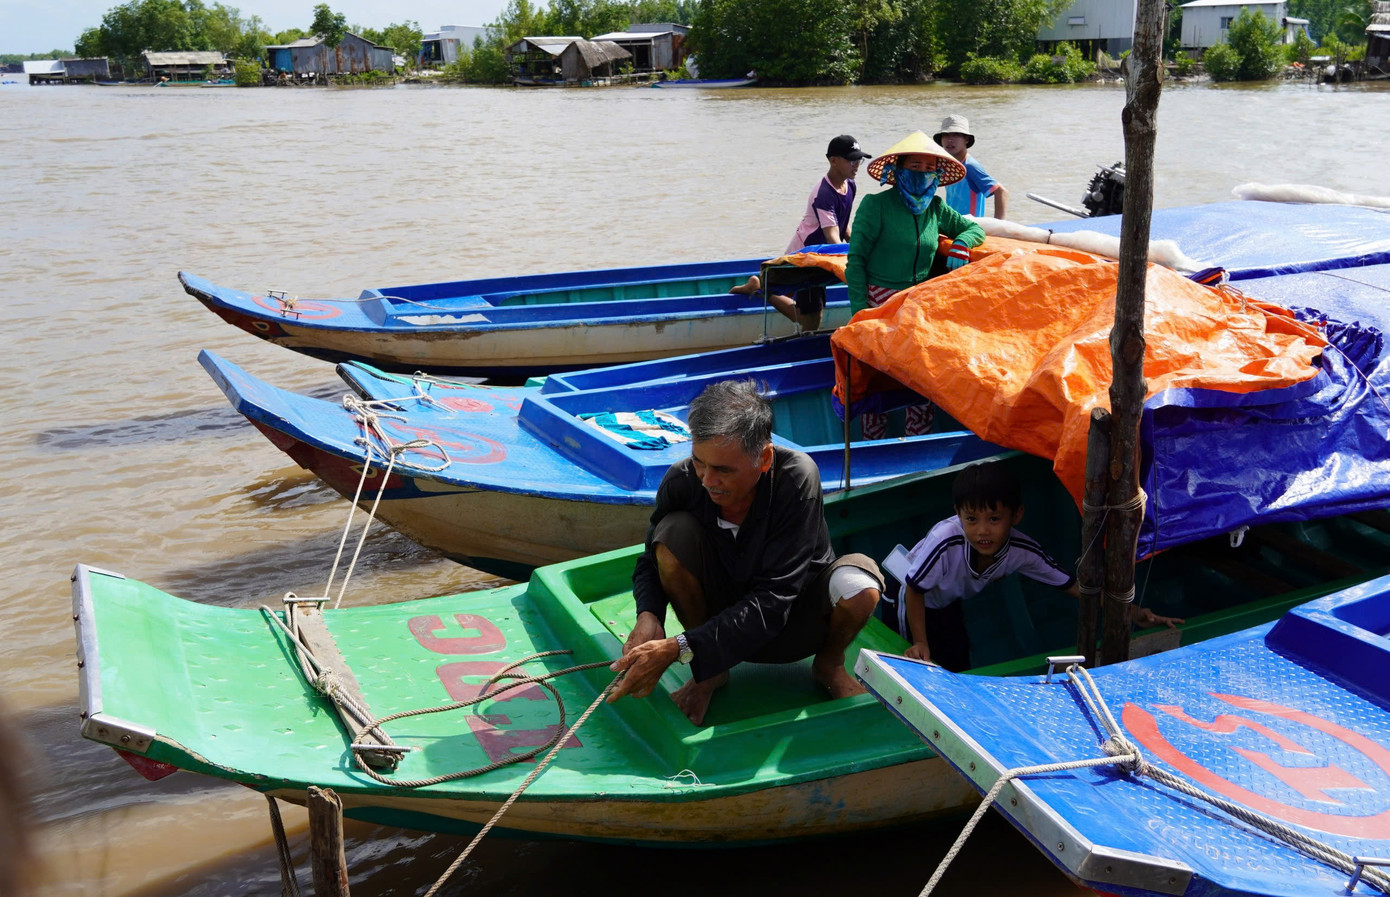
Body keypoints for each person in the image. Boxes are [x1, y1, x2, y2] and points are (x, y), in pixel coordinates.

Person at [607, 379, 885, 725]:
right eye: (699, 463)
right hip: (715, 622)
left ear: (764, 458)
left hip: (793, 623)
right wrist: (649, 616)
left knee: (861, 584)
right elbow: (650, 559)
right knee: (671, 534)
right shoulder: (682, 480)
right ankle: (708, 672)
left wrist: (678, 647)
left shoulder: (797, 478)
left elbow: (774, 599)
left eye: (723, 470)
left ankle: (829, 664)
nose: (707, 480)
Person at [891, 460, 1183, 672]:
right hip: (908, 596)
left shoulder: (1021, 551)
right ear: (958, 515)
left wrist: (1133, 613)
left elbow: (1074, 587)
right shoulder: (945, 540)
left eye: (994, 519)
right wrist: (920, 642)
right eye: (972, 519)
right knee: (918, 659)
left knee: (957, 662)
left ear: (1016, 515)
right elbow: (913, 589)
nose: (982, 531)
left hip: (946, 601)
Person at [847, 130, 985, 439]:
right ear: (898, 170)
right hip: (878, 305)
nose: (922, 174)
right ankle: (875, 446)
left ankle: (917, 441)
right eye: (915, 167)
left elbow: (973, 228)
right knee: (878, 378)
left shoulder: (935, 208)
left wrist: (962, 242)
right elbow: (855, 263)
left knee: (921, 379)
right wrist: (859, 314)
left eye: (929, 169)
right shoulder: (875, 206)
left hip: (919, 306)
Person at [732, 134, 871, 331]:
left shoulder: (850, 184)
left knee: (810, 311)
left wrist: (860, 246)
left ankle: (762, 286)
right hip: (805, 257)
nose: (856, 165)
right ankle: (759, 288)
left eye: (859, 159)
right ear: (833, 161)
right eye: (851, 160)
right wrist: (855, 259)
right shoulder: (824, 195)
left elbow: (843, 224)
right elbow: (833, 239)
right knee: (809, 319)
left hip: (823, 257)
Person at [935, 114, 1008, 220]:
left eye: (956, 135)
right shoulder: (949, 165)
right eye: (946, 135)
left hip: (970, 227)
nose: (949, 140)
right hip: (954, 225)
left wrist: (999, 225)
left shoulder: (969, 166)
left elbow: (1001, 191)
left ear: (966, 139)